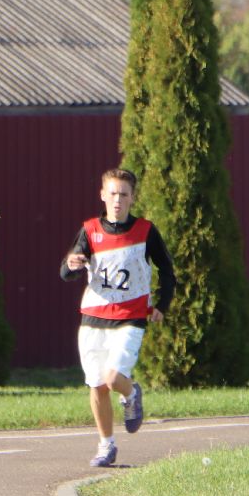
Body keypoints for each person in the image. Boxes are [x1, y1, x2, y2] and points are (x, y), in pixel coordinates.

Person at [61, 168, 174, 468]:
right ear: (102, 195)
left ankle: (132, 392)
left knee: (113, 379)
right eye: (112, 193)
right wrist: (71, 264)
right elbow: (67, 271)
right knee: (97, 384)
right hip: (93, 318)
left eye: (124, 195)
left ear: (133, 198)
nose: (117, 200)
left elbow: (167, 270)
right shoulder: (89, 230)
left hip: (130, 317)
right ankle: (106, 445)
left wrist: (162, 303)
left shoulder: (145, 232)